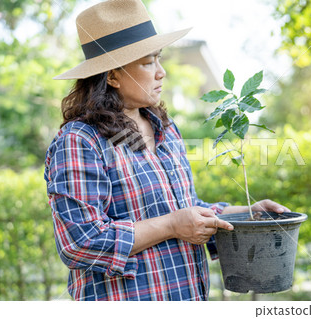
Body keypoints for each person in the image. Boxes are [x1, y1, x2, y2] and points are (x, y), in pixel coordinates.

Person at [44, 0, 290, 301]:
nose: (161, 72)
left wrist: (246, 213)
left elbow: (183, 207)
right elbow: (80, 241)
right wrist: (171, 226)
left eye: (158, 59)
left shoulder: (165, 129)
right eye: (148, 63)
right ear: (112, 76)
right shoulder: (81, 140)